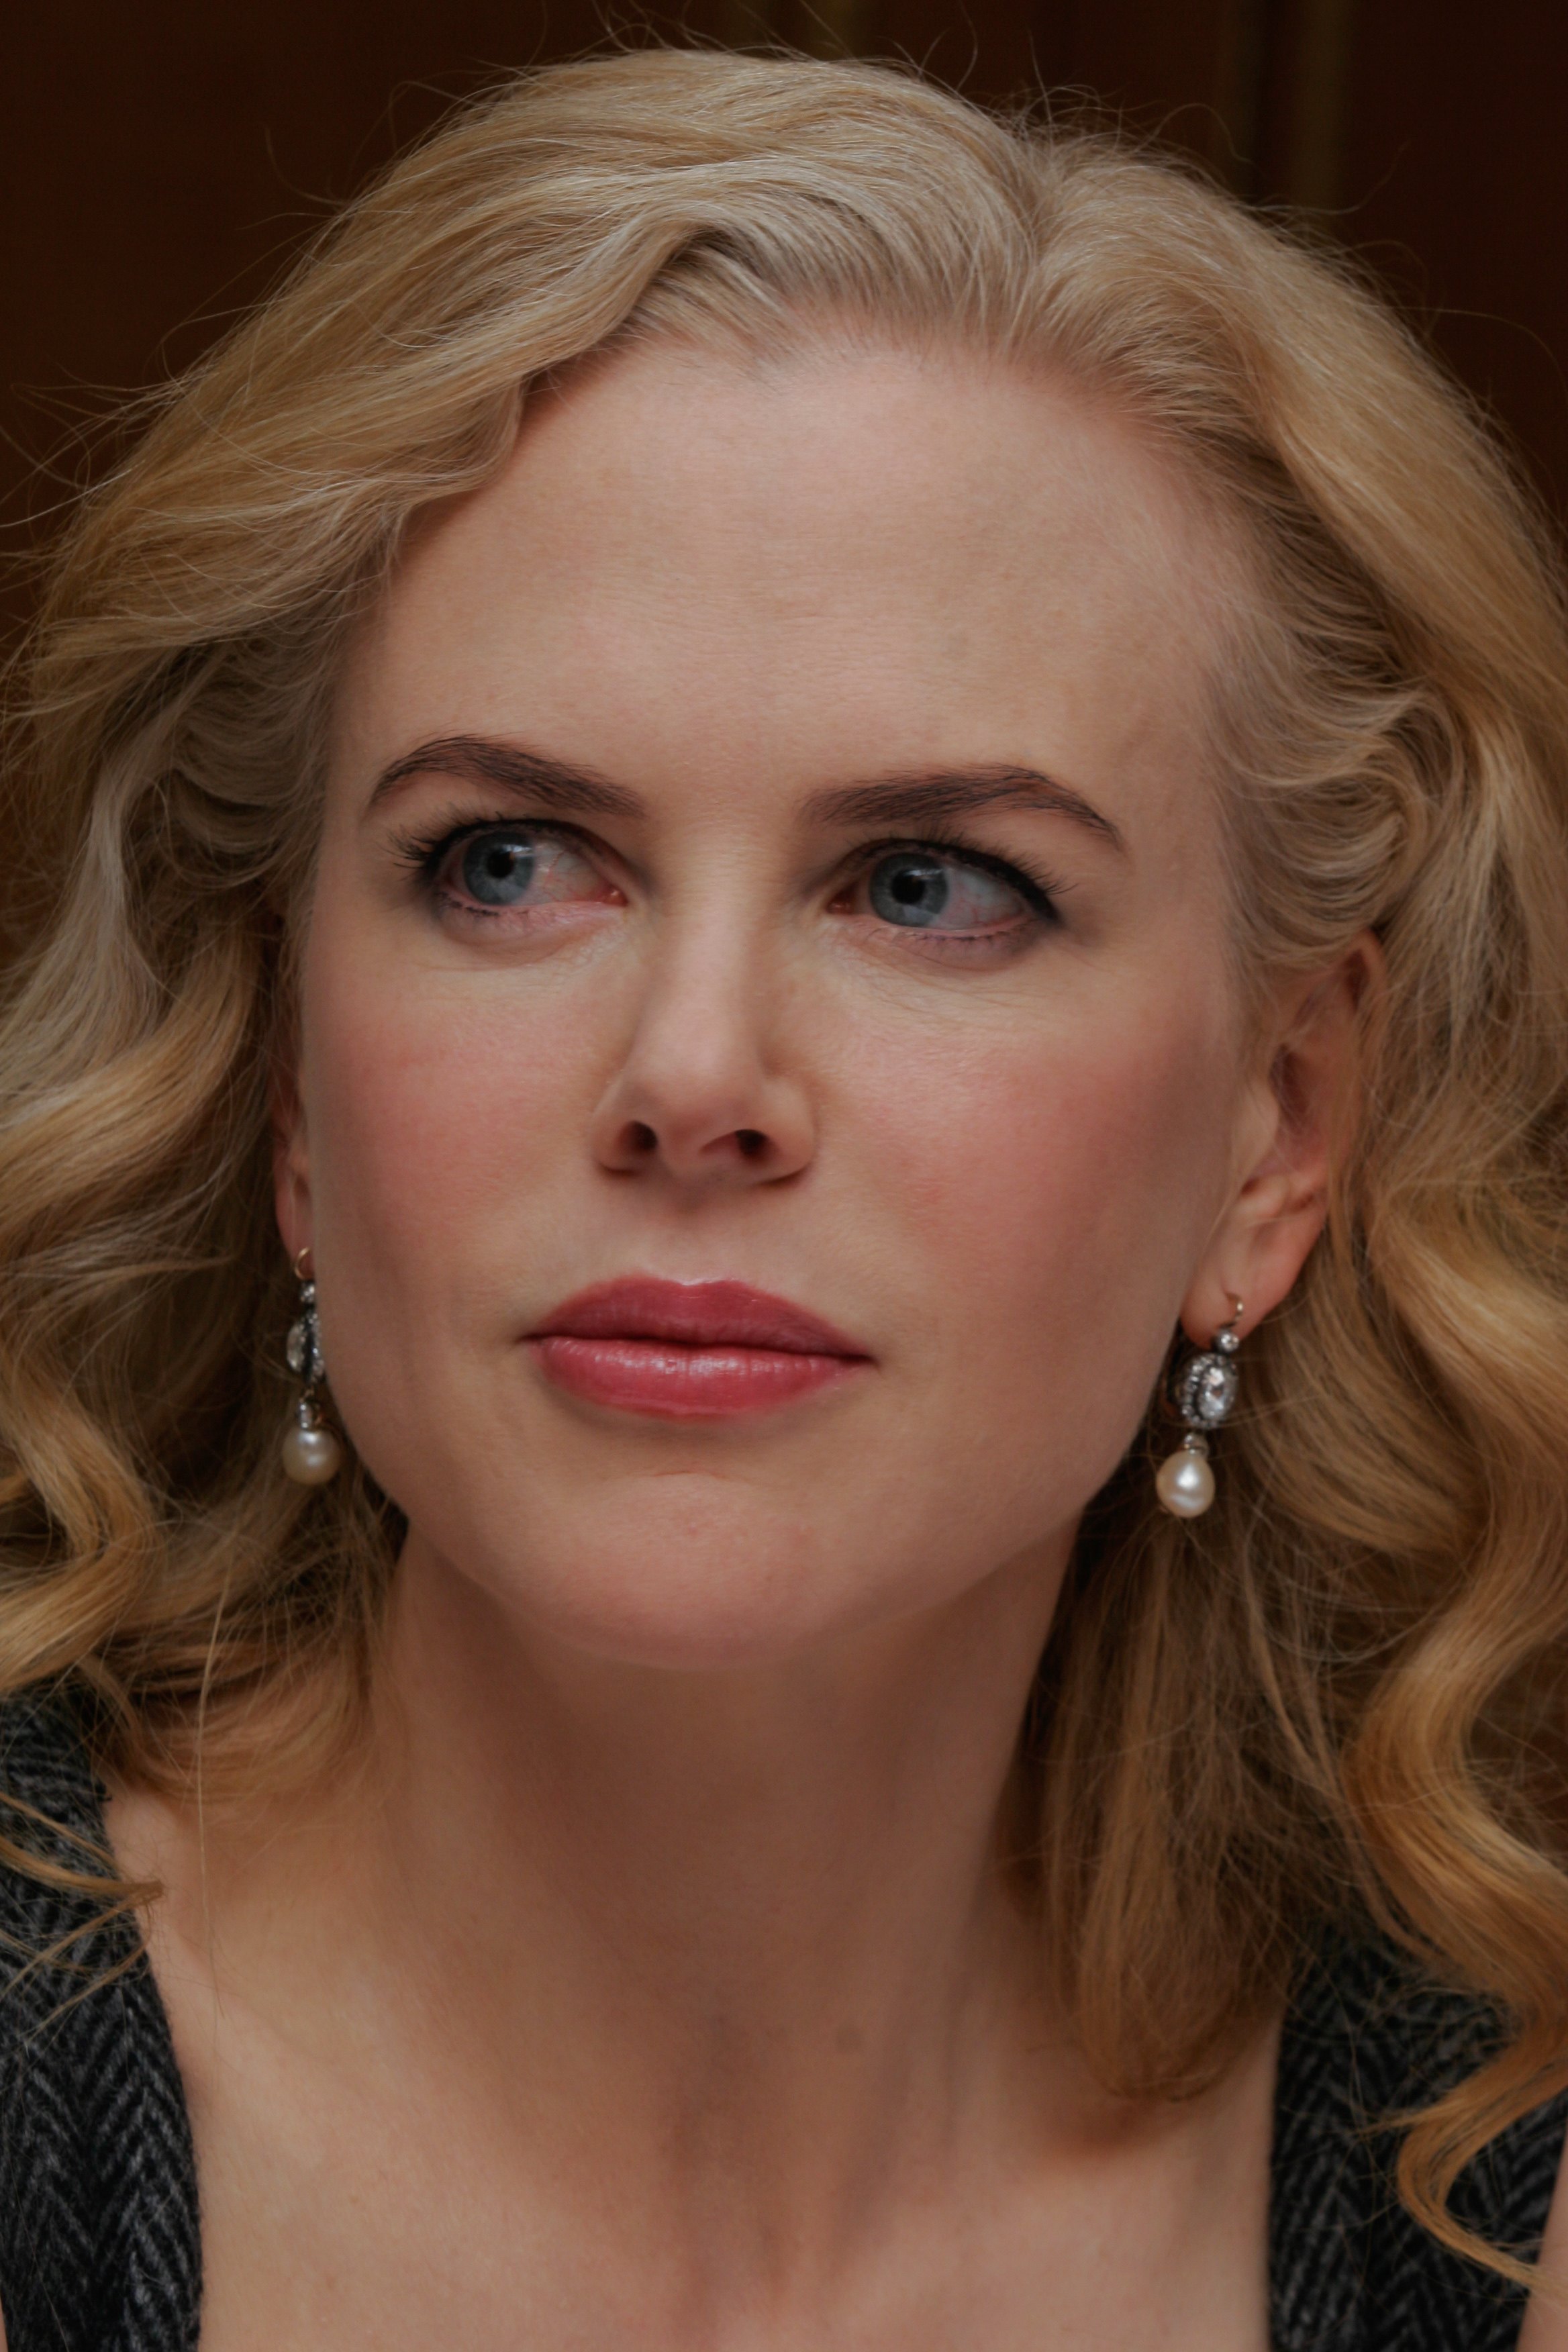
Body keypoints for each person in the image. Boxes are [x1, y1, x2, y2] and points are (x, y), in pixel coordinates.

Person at [2, 44, 1568, 2351]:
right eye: (508, 864)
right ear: (295, 1094)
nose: (693, 1078)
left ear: (1278, 1135)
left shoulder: (1495, 2194)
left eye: (932, 886)